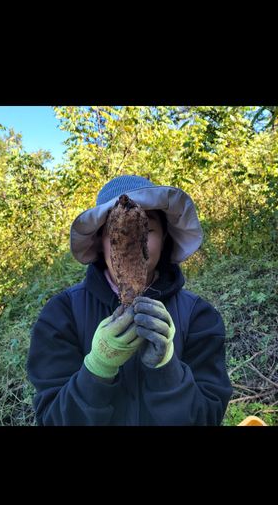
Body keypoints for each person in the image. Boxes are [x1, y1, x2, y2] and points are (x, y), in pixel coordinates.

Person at [26, 175, 232, 425]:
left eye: (147, 230)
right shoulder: (61, 314)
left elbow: (206, 418)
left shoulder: (199, 316)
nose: (132, 243)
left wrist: (167, 369)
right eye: (117, 232)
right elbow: (52, 420)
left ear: (165, 237)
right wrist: (97, 368)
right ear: (101, 242)